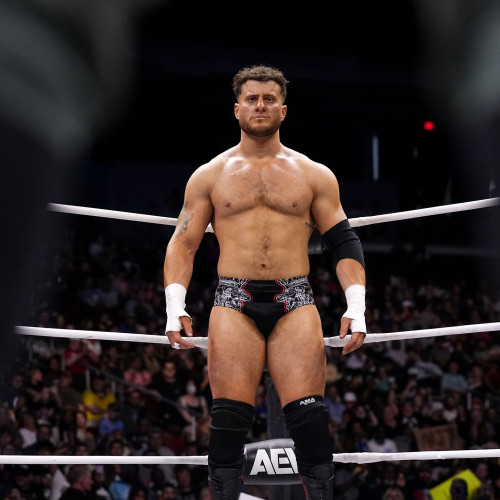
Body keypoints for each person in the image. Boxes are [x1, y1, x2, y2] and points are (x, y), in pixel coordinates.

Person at [163, 65, 367, 500]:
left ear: (283, 110)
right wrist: (174, 307)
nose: (260, 105)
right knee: (227, 423)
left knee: (311, 422)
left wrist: (357, 307)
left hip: (295, 298)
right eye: (252, 99)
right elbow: (183, 243)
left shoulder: (313, 174)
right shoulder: (209, 175)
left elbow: (343, 241)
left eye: (269, 99)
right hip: (233, 299)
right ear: (237, 109)